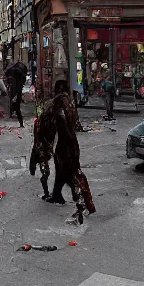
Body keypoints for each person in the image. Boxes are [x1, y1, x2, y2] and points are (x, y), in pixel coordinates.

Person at [32, 79, 96, 224]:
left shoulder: (58, 104)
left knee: (71, 171)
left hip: (65, 142)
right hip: (70, 141)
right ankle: (57, 195)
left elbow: (59, 124)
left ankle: (83, 203)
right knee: (63, 170)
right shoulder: (69, 102)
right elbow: (75, 123)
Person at [5, 61, 29, 127]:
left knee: (15, 103)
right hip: (17, 89)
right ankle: (20, 122)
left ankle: (17, 117)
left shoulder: (13, 71)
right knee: (17, 105)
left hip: (15, 89)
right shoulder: (19, 72)